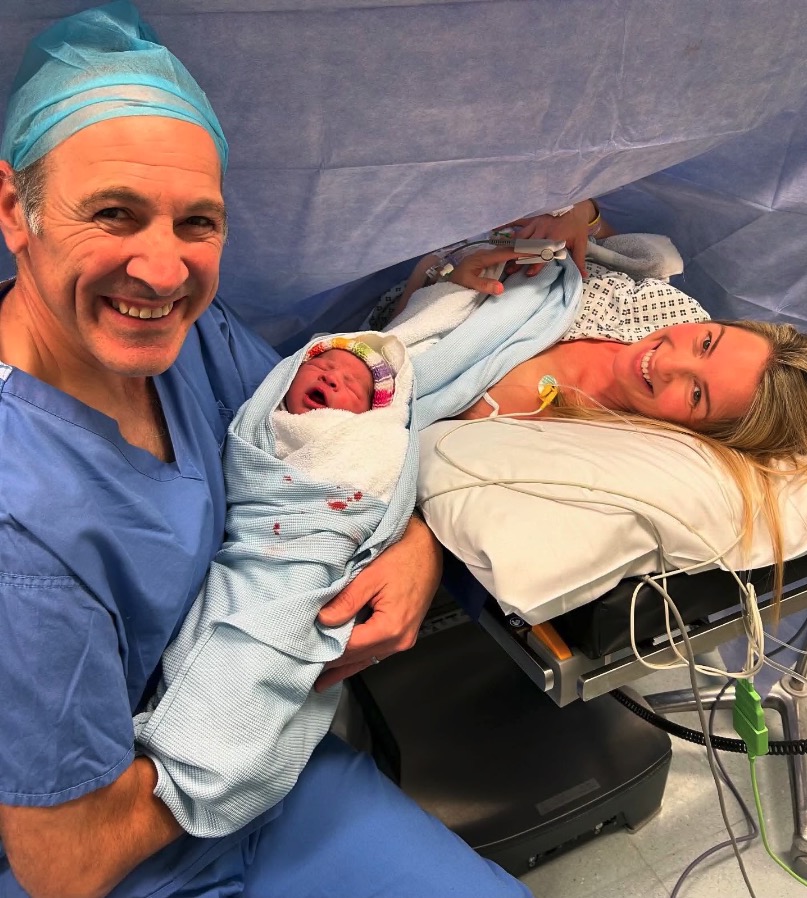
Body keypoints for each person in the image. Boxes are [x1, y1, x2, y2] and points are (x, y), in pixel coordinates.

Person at [0, 5, 533, 898]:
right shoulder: (23, 529)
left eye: (196, 224)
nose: (163, 271)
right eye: (114, 214)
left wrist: (413, 550)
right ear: (17, 211)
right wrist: (240, 734)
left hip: (278, 792)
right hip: (131, 849)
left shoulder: (186, 339)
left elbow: (325, 455)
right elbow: (68, 865)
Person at [134, 330, 418, 838]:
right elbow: (247, 469)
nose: (332, 376)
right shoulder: (263, 421)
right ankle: (190, 753)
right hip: (252, 544)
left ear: (374, 408)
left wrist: (416, 536)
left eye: (352, 382)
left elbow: (383, 475)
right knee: (216, 644)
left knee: (262, 657)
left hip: (310, 556)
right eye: (321, 367)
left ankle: (203, 760)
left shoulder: (367, 437)